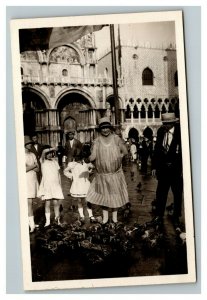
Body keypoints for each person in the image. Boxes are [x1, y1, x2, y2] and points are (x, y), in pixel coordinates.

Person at [86, 117, 129, 224]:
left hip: (115, 174)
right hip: (102, 174)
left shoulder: (116, 139)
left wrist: (119, 157)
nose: (105, 130)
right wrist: (87, 158)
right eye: (103, 128)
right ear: (100, 129)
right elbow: (93, 156)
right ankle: (105, 218)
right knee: (103, 197)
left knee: (115, 196)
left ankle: (114, 218)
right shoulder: (97, 141)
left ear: (110, 128)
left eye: (107, 127)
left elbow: (125, 151)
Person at [151, 113, 183, 228]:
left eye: (168, 124)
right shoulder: (161, 131)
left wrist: (184, 169)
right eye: (164, 124)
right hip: (163, 169)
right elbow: (157, 150)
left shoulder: (181, 132)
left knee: (177, 194)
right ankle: (159, 216)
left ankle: (176, 217)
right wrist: (154, 166)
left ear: (174, 123)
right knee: (160, 194)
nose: (166, 126)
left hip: (176, 169)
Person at [63, 147, 96, 223]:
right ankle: (82, 216)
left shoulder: (86, 163)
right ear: (74, 157)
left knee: (88, 200)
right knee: (79, 201)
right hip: (77, 184)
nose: (78, 159)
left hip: (85, 184)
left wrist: (89, 172)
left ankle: (91, 215)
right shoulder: (72, 164)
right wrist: (72, 176)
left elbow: (93, 168)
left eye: (80, 157)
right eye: (77, 157)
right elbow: (65, 171)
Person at [38, 147, 64, 226]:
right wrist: (53, 148)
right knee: (47, 203)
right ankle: (48, 222)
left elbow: (58, 174)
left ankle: (57, 220)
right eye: (47, 154)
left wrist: (60, 185)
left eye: (51, 153)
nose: (49, 155)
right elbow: (43, 151)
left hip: (55, 185)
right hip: (47, 185)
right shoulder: (42, 161)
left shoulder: (55, 161)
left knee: (56, 203)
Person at [24, 136, 39, 233]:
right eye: (28, 143)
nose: (30, 145)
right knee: (28, 203)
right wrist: (33, 166)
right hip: (26, 180)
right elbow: (23, 169)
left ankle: (31, 222)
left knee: (31, 202)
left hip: (33, 179)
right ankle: (31, 225)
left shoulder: (33, 154)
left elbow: (38, 169)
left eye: (30, 143)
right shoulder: (21, 154)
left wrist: (30, 167)